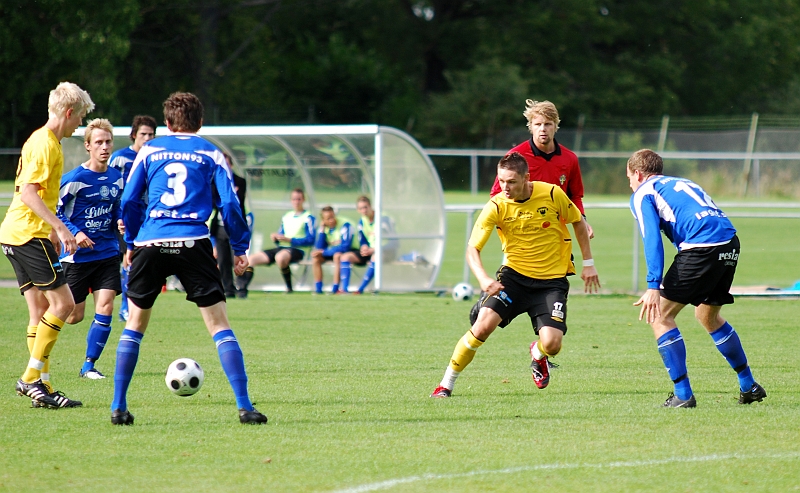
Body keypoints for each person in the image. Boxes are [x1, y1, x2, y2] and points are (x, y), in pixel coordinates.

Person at [112, 92, 266, 425]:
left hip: (151, 241)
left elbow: (129, 199)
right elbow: (229, 205)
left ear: (166, 124)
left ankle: (118, 406)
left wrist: (132, 241)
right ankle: (244, 406)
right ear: (200, 123)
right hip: (192, 242)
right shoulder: (210, 152)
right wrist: (240, 248)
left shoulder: (151, 150)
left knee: (134, 324)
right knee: (219, 325)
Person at [431, 152, 600, 398]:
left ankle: (538, 354)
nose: (505, 187)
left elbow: (578, 223)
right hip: (514, 279)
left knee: (553, 345)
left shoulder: (552, 194)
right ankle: (445, 385)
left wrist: (588, 263)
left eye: (511, 181)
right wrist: (484, 279)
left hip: (551, 283)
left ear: (526, 178)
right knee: (481, 327)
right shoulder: (497, 205)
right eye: (501, 181)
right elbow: (472, 249)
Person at [627, 149, 766, 408]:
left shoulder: (643, 192)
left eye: (630, 180)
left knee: (660, 316)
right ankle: (749, 385)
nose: (631, 185)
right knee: (707, 316)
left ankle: (683, 395)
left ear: (638, 174)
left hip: (701, 248)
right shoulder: (683, 182)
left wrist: (652, 284)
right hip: (730, 244)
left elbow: (652, 239)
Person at [0, 81, 94, 409]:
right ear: (68, 113)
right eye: (80, 117)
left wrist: (52, 231)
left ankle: (42, 385)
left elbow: (40, 194)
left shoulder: (44, 140)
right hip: (27, 234)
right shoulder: (46, 143)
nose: (80, 123)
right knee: (65, 306)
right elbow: (28, 193)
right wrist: (59, 227)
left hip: (16, 234)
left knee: (39, 311)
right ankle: (30, 379)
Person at [56, 118, 123, 380]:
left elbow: (116, 206)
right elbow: (55, 210)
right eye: (99, 142)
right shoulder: (75, 179)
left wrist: (119, 220)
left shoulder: (117, 177)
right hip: (77, 257)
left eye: (108, 142)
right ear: (88, 146)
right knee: (73, 316)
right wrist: (76, 232)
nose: (104, 147)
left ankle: (89, 365)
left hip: (106, 252)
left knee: (105, 307)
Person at [491, 99, 593, 238]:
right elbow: (497, 194)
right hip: (523, 236)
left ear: (555, 126)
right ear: (531, 126)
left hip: (556, 235)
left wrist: (583, 221)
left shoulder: (570, 159)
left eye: (548, 124)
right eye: (538, 124)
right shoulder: (515, 157)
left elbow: (575, 196)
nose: (542, 129)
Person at [109, 115, 157, 322]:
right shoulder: (121, 158)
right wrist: (118, 216)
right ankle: (124, 307)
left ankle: (133, 305)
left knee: (139, 263)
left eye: (151, 134)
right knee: (126, 262)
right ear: (134, 135)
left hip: (147, 220)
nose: (147, 138)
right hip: (124, 218)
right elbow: (111, 187)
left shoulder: (154, 157)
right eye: (143, 134)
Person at [237, 188, 315, 295]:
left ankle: (289, 288)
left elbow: (311, 239)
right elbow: (281, 234)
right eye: (294, 199)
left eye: (299, 199)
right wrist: (276, 238)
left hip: (297, 250)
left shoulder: (308, 217)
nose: (296, 202)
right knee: (251, 259)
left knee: (280, 257)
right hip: (281, 248)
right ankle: (242, 288)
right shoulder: (287, 216)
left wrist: (291, 240)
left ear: (303, 200)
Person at [339, 195, 397, 294]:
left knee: (375, 257)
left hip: (386, 251)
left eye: (366, 207)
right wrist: (364, 246)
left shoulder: (383, 219)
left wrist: (375, 249)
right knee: (345, 257)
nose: (364, 210)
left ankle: (360, 289)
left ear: (371, 206)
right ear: (358, 210)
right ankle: (344, 290)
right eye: (361, 208)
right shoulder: (362, 221)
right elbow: (363, 239)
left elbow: (394, 242)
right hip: (370, 251)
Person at [210, 152, 248, 298]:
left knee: (238, 256)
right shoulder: (213, 182)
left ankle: (242, 287)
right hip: (219, 225)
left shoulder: (240, 181)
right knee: (223, 259)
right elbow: (213, 203)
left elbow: (237, 203)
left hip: (234, 225)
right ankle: (228, 288)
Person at [310, 206, 359, 294]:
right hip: (331, 252)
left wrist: (325, 252)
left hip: (351, 251)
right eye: (328, 218)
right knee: (316, 258)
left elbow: (345, 246)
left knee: (337, 256)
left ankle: (335, 288)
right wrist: (322, 231)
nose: (331, 220)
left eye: (332, 216)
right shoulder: (324, 228)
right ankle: (318, 289)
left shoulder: (345, 225)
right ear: (323, 220)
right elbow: (320, 247)